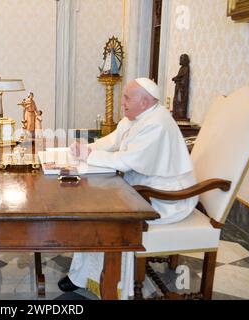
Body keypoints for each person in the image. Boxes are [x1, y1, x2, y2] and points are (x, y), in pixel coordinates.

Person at [58, 78, 198, 299]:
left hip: (165, 198)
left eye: (126, 98)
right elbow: (112, 141)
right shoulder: (135, 117)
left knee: (108, 216)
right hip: (142, 188)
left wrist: (90, 155)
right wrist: (86, 148)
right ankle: (82, 275)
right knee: (94, 207)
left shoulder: (157, 123)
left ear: (144, 102)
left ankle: (111, 281)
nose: (122, 102)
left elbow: (126, 161)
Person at [172, 54, 190, 120]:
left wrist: (176, 79)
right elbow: (179, 76)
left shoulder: (186, 68)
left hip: (181, 88)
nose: (180, 60)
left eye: (181, 59)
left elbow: (184, 80)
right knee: (176, 101)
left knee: (180, 101)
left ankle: (180, 114)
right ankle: (176, 113)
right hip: (178, 87)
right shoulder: (181, 68)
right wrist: (175, 78)